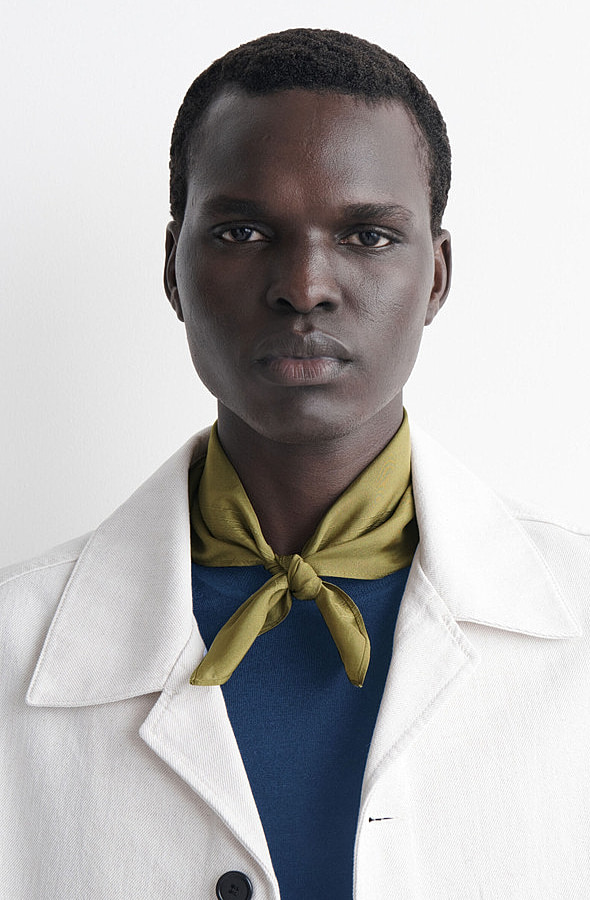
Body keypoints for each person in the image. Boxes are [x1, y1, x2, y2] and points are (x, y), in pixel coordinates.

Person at [1, 27, 589, 900]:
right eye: (242, 231)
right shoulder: (13, 644)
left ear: (437, 276)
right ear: (173, 269)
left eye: (368, 236)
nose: (305, 286)